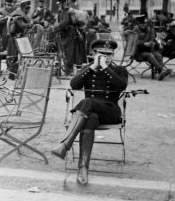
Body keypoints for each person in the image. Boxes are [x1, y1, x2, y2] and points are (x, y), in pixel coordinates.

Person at [50, 39, 128, 185]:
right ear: (94, 54)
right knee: (90, 119)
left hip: (110, 112)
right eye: (101, 54)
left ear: (112, 55)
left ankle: (65, 145)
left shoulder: (119, 70)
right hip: (89, 113)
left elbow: (121, 86)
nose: (105, 57)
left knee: (87, 102)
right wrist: (93, 66)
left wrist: (105, 67)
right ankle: (83, 168)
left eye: (108, 54)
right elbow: (75, 85)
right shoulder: (88, 68)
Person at [53, 0, 87, 75]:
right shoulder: (63, 11)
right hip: (66, 34)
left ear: (63, 3)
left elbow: (65, 22)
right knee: (66, 52)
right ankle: (68, 71)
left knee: (69, 53)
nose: (59, 5)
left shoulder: (66, 10)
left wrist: (56, 28)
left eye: (60, 3)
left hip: (70, 34)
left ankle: (69, 71)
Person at [132, 14, 171, 81]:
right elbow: (133, 43)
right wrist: (144, 44)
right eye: (141, 24)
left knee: (158, 55)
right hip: (139, 52)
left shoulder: (150, 31)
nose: (143, 25)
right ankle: (162, 70)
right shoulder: (135, 31)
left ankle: (160, 73)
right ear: (138, 24)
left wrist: (155, 44)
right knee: (150, 55)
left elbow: (154, 40)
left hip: (149, 50)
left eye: (144, 23)